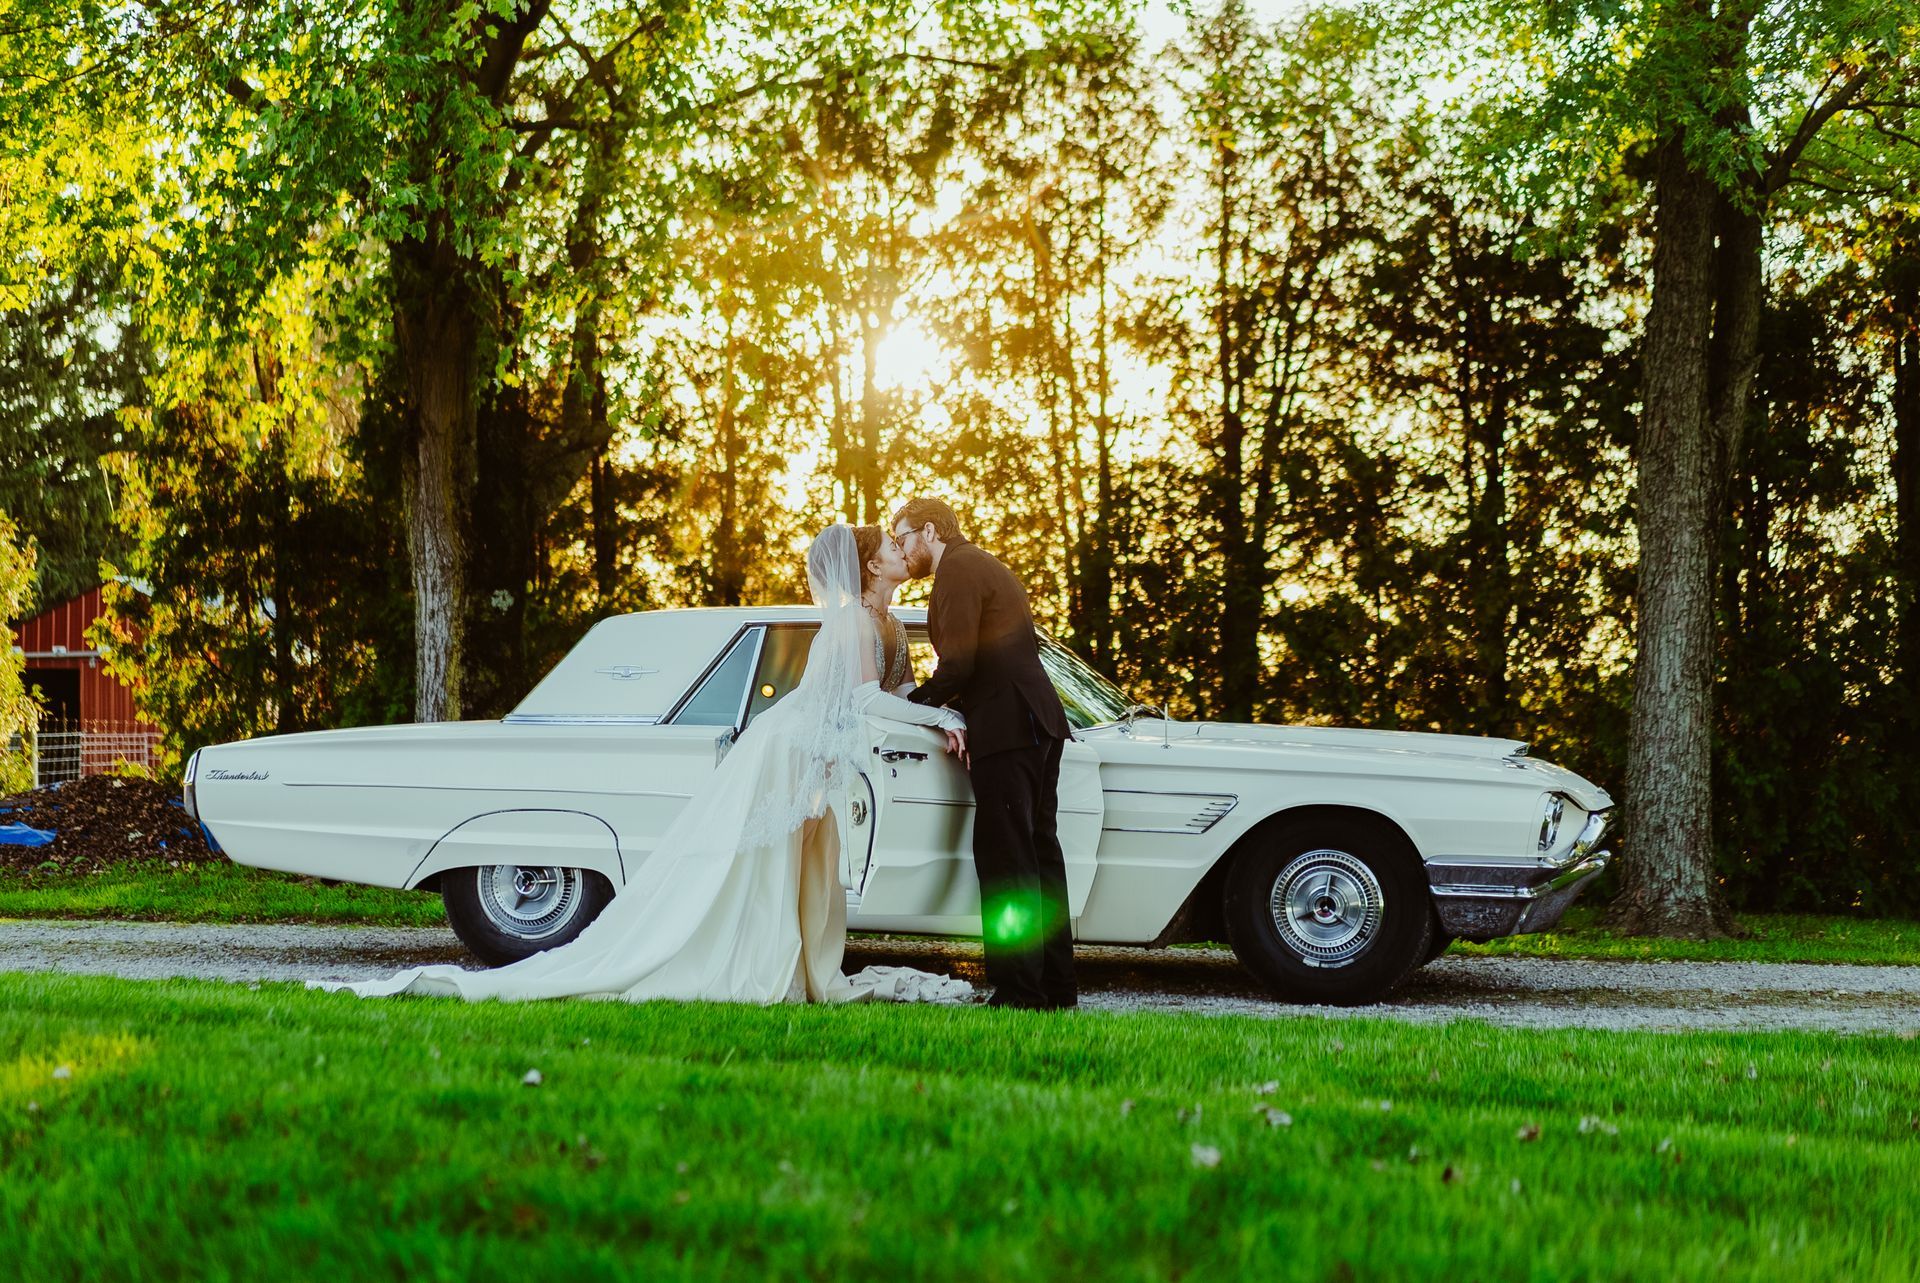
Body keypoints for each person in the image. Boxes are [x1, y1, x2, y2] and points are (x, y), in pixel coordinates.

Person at [311, 523, 972, 1006]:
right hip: (793, 749)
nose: (896, 545)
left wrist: (942, 710)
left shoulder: (887, 625)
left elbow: (896, 696)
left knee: (814, 866)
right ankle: (772, 968)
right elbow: (862, 700)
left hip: (821, 752)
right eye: (887, 543)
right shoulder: (854, 622)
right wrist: (943, 720)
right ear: (867, 565)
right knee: (774, 867)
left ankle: (811, 970)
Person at [893, 497, 1078, 1011]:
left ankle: (1021, 992)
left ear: (929, 530)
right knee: (1039, 856)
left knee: (1007, 860)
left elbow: (959, 665)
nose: (903, 548)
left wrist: (911, 705)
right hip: (1038, 721)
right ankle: (1057, 988)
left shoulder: (956, 570)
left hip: (1008, 727)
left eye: (903, 535)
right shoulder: (984, 563)